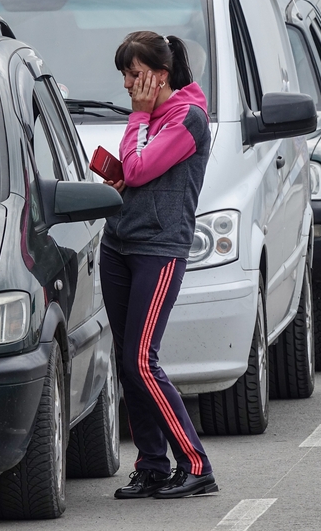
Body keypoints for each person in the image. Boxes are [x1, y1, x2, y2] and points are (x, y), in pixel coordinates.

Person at [100, 31, 217, 499]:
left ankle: (195, 465)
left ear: (159, 75)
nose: (127, 85)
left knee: (142, 361)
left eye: (133, 75)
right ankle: (152, 463)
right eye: (124, 77)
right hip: (119, 245)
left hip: (159, 249)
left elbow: (140, 169)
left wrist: (138, 119)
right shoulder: (151, 117)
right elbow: (129, 169)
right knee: (128, 362)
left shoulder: (188, 117)